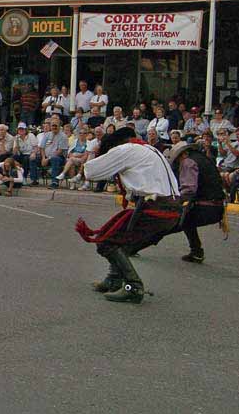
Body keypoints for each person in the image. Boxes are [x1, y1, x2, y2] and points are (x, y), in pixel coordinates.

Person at [76, 128, 182, 304]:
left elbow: (91, 172)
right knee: (119, 241)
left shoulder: (126, 150)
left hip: (155, 208)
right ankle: (113, 279)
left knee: (107, 242)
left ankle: (133, 287)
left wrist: (96, 155)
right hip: (167, 208)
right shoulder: (149, 149)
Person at [150, 141, 228, 263]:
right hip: (216, 206)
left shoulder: (188, 162)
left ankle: (136, 245)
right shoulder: (204, 159)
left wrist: (171, 201)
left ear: (183, 154)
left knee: (170, 223)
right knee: (187, 222)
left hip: (206, 207)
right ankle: (196, 251)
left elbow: (188, 190)